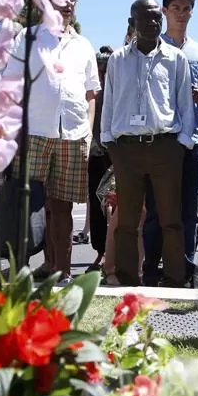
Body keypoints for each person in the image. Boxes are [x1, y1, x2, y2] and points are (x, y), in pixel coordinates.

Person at [4, 0, 99, 285]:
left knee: (62, 207)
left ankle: (62, 273)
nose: (68, 2)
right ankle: (19, 270)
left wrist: (87, 132)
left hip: (72, 135)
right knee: (26, 206)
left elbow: (90, 93)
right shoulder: (26, 38)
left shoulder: (84, 45)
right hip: (33, 133)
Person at [100, 0, 195, 288]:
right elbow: (110, 101)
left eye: (157, 18)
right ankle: (129, 281)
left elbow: (184, 104)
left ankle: (175, 280)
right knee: (127, 221)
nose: (153, 23)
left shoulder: (176, 58)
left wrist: (182, 143)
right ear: (133, 22)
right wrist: (109, 141)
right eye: (146, 18)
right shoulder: (117, 59)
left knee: (171, 220)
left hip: (165, 146)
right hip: (126, 149)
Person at [141, 0, 198, 287]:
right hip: (162, 142)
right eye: (176, 8)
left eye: (186, 8)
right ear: (165, 12)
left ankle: (184, 270)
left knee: (189, 212)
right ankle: (152, 270)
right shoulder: (152, 47)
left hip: (194, 141)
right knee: (157, 211)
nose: (182, 14)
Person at [86, 46, 114, 273]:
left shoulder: (117, 89)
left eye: (106, 70)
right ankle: (101, 253)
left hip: (115, 154)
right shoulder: (90, 92)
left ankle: (114, 255)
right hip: (94, 154)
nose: (103, 75)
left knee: (115, 207)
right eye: (99, 70)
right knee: (96, 207)